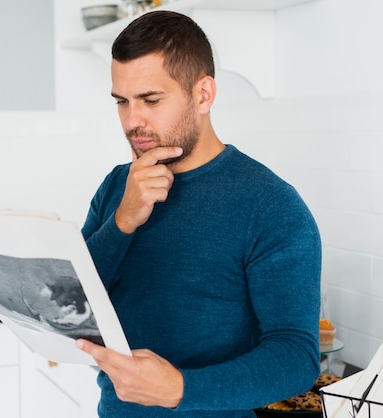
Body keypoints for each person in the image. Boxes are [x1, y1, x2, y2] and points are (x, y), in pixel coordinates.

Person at [76, 10, 321, 418]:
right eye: (122, 102)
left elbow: (295, 357)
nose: (132, 121)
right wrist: (121, 222)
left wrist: (180, 388)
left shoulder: (271, 205)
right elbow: (75, 306)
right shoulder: (116, 187)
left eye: (151, 100)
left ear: (204, 95)